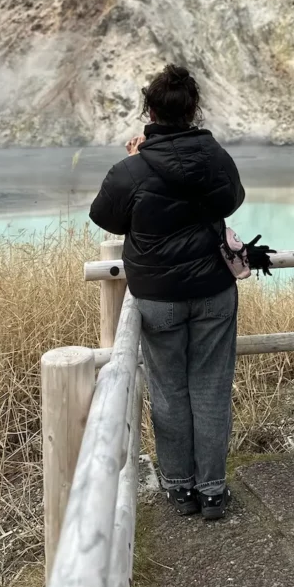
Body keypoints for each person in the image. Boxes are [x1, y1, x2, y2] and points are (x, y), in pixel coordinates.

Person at [89, 64, 245, 520]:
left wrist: (140, 158)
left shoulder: (131, 169)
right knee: (212, 387)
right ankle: (213, 490)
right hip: (214, 289)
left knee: (169, 389)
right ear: (192, 110)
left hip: (157, 296)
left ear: (150, 111)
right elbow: (230, 200)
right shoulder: (214, 156)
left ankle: (179, 488)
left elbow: (108, 218)